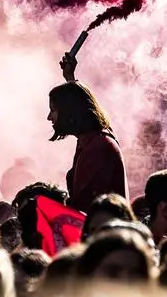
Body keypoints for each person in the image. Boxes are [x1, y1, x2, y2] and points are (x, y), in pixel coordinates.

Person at [48, 53, 128, 212]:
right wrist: (70, 78)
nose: (49, 117)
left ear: (69, 112)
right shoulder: (95, 139)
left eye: (53, 110)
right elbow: (78, 101)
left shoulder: (97, 148)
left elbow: (83, 208)